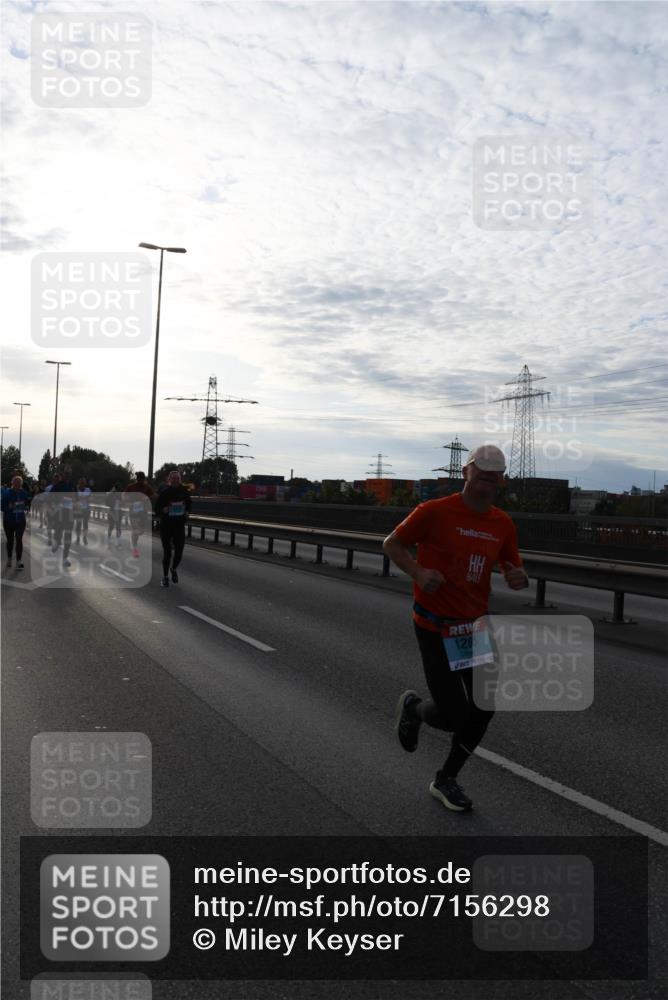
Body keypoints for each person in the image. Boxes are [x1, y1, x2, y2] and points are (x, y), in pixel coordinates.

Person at [383, 445, 529, 813]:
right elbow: (392, 544)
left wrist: (517, 576)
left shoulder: (502, 523)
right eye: (481, 471)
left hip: (472, 630)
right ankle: (415, 709)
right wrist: (417, 572)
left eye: (494, 474)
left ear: (502, 480)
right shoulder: (434, 512)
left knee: (483, 708)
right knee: (452, 716)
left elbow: (514, 566)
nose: (487, 479)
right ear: (466, 472)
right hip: (433, 626)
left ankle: (446, 779)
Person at [154, 469, 191, 587]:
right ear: (169, 480)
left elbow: (189, 504)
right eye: (173, 478)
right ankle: (165, 577)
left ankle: (173, 569)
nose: (175, 480)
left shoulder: (184, 491)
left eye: (177, 478)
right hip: (166, 526)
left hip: (179, 525)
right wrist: (162, 510)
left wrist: (187, 512)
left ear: (180, 480)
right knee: (167, 553)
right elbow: (157, 509)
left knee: (179, 553)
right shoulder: (165, 492)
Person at [123, 472, 155, 558]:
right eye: (138, 478)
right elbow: (124, 496)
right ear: (136, 479)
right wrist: (128, 501)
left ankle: (134, 539)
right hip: (133, 511)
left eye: (142, 479)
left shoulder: (146, 487)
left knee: (141, 531)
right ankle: (135, 548)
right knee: (136, 530)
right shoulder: (131, 486)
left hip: (143, 512)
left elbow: (153, 495)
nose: (140, 480)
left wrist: (148, 497)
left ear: (144, 479)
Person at [2, 474, 31, 569]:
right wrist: (9, 507)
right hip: (9, 520)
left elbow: (27, 503)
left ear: (21, 484)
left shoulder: (24, 493)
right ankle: (10, 559)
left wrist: (27, 507)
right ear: (12, 483)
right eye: (15, 483)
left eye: (19, 483)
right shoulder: (7, 493)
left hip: (20, 521)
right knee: (10, 541)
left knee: (19, 540)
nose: (17, 485)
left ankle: (19, 561)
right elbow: (1, 506)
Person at [49, 469, 76, 569]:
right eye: (66, 474)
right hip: (59, 514)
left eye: (69, 475)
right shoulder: (57, 486)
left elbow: (77, 499)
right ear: (62, 475)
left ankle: (65, 559)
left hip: (69, 514)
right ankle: (56, 543)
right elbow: (50, 499)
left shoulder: (73, 486)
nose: (67, 476)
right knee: (58, 533)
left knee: (68, 537)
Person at [74, 477, 92, 546]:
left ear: (85, 483)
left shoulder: (88, 490)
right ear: (79, 483)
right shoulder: (76, 490)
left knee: (85, 524)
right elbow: (74, 499)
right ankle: (78, 538)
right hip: (78, 509)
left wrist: (86, 498)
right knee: (78, 525)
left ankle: (84, 537)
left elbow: (90, 498)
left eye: (83, 483)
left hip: (86, 509)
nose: (82, 484)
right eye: (81, 483)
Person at [105, 483, 124, 547]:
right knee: (111, 527)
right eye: (118, 489)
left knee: (117, 528)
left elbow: (123, 502)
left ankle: (117, 542)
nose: (119, 491)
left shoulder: (120, 494)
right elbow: (107, 503)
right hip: (112, 512)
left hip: (118, 512)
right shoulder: (111, 494)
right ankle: (109, 540)